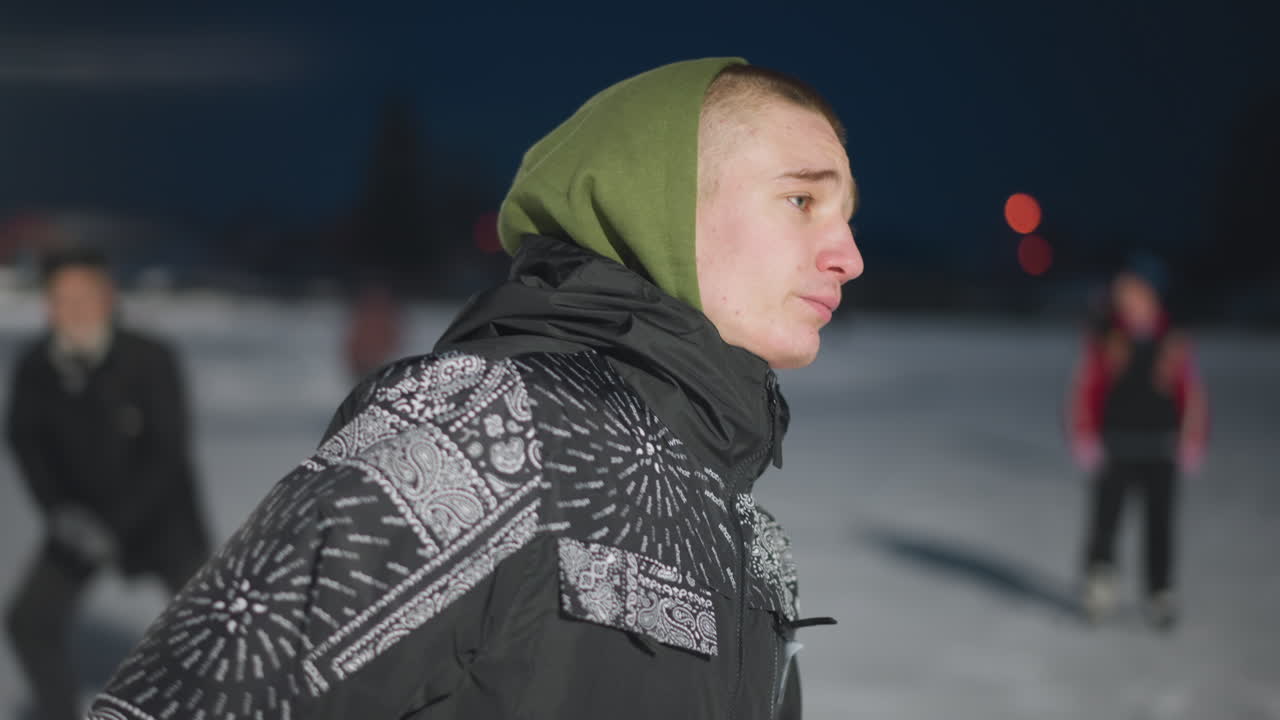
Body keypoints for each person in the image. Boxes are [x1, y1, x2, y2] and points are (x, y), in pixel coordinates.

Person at [87, 57, 862, 720]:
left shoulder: (747, 533)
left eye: (847, 215)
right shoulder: (493, 428)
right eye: (802, 200)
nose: (849, 255)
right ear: (654, 200)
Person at [6, 248, 211, 720]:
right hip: (78, 521)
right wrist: (60, 512)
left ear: (108, 298)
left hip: (164, 524)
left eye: (85, 295)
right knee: (29, 619)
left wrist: (113, 528)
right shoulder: (36, 366)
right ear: (48, 304)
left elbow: (167, 453)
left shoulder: (151, 359)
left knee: (214, 624)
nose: (73, 308)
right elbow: (24, 443)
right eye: (62, 297)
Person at [1067, 260, 1208, 629]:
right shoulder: (1105, 335)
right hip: (1116, 445)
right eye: (1121, 291)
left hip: (1160, 446)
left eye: (1134, 290)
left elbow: (1190, 391)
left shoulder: (1172, 338)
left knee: (1159, 522)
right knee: (1105, 520)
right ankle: (1099, 582)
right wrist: (1084, 433)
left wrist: (1192, 437)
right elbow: (1085, 387)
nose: (1126, 298)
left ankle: (1159, 590)